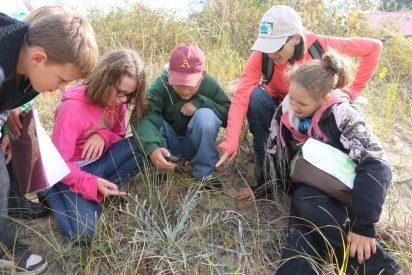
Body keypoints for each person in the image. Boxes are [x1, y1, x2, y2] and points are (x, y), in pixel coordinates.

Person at [267, 51, 400, 274]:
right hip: (309, 186)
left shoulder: (345, 116)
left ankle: (376, 269)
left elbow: (377, 164)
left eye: (303, 103)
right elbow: (273, 149)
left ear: (325, 100)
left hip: (347, 191)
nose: (294, 106)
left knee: (305, 199)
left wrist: (363, 225)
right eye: (291, 98)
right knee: (301, 228)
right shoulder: (286, 111)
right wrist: (261, 187)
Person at [216, 5, 382, 180]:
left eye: (276, 46)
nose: (270, 53)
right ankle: (265, 159)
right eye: (266, 46)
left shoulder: (319, 45)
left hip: (315, 115)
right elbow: (242, 94)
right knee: (256, 97)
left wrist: (353, 91)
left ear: (296, 38)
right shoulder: (262, 54)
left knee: (354, 113)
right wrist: (231, 140)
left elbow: (373, 47)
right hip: (278, 114)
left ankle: (332, 172)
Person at [0, 11, 98, 274]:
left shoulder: (33, 66)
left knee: (22, 132)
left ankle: (15, 200)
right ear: (38, 59)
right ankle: (3, 249)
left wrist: (8, 114)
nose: (65, 88)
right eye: (63, 80)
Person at [46, 49, 147, 244]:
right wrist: (89, 183)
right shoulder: (72, 109)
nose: (123, 100)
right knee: (85, 235)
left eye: (129, 95)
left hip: (99, 162)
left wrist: (103, 135)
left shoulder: (118, 101)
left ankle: (104, 190)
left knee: (143, 147)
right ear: (103, 78)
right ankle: (53, 192)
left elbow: (118, 135)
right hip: (70, 173)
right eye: (120, 92)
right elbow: (59, 163)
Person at [131, 44, 231, 191]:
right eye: (178, 83)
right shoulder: (162, 83)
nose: (185, 90)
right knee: (153, 120)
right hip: (168, 145)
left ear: (202, 75)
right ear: (170, 72)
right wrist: (151, 148)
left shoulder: (209, 83)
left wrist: (201, 102)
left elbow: (228, 114)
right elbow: (142, 114)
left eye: (190, 83)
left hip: (195, 144)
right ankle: (161, 169)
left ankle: (203, 174)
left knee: (206, 116)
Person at [1, 5, 69, 221]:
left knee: (18, 128)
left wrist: (15, 108)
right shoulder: (13, 46)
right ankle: (11, 196)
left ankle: (16, 192)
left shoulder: (42, 73)